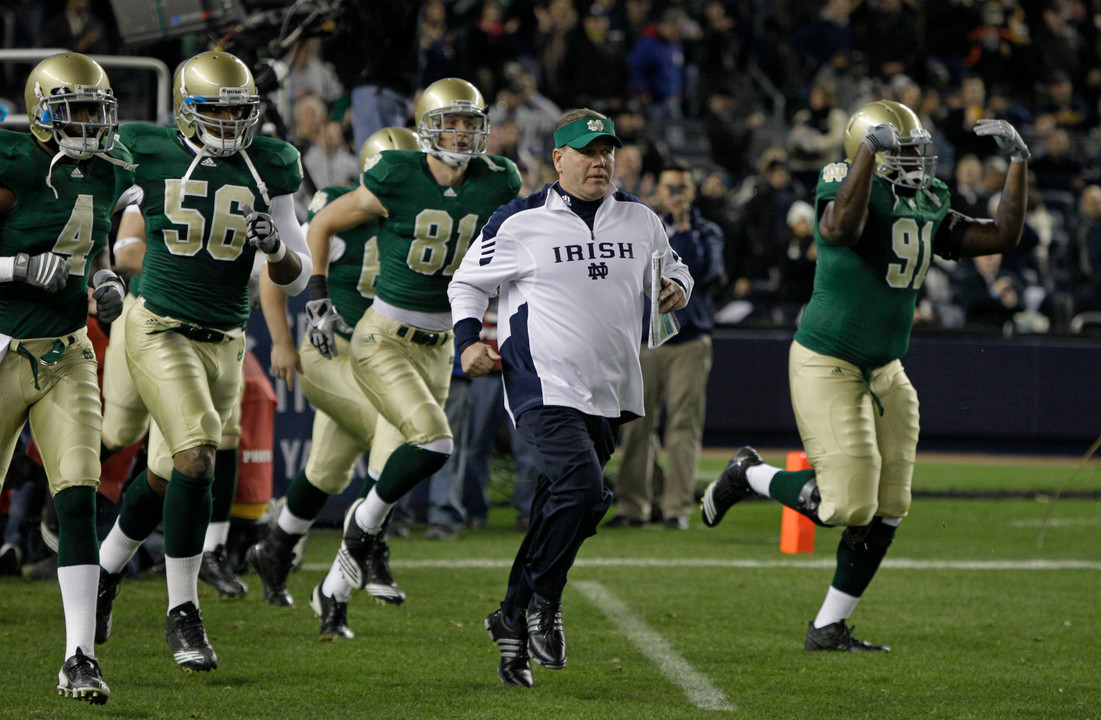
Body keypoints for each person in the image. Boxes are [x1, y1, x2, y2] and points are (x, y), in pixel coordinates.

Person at [700, 100, 1029, 652]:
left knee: (891, 504)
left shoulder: (927, 199)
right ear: (867, 154)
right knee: (846, 507)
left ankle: (827, 627)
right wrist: (868, 156)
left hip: (885, 368)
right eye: (901, 150)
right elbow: (841, 229)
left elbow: (1000, 237)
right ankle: (748, 473)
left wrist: (1018, 163)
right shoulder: (842, 184)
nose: (917, 161)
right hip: (828, 359)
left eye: (916, 149)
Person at [449, 108, 693, 687]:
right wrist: (466, 343)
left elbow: (674, 264)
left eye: (607, 150)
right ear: (558, 159)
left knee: (570, 501)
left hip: (611, 386)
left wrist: (675, 286)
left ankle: (510, 618)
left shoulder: (640, 219)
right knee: (585, 490)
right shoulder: (519, 221)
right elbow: (466, 281)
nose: (600, 161)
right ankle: (544, 606)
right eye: (587, 151)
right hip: (541, 381)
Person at [93, 50, 311, 673]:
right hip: (156, 323)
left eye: (236, 110)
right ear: (186, 110)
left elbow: (295, 276)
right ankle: (182, 611)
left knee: (167, 474)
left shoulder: (270, 162)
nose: (223, 121)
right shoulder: (145, 147)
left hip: (225, 337)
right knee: (196, 454)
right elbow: (88, 206)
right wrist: (103, 268)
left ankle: (107, 569)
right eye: (212, 108)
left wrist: (275, 250)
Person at [305, 78, 520, 603]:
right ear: (426, 129)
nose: (463, 132)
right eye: (452, 121)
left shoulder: (499, 181)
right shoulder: (397, 175)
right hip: (383, 336)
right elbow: (325, 223)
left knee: (397, 460)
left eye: (471, 122)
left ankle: (333, 587)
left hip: (442, 340)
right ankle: (362, 531)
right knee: (434, 441)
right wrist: (317, 289)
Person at [0, 51, 134, 705]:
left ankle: (78, 655)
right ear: (42, 111)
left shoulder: (109, 168)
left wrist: (107, 278)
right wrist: (16, 269)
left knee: (78, 496)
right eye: (74, 110)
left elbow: (98, 243)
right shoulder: (14, 160)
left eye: (95, 110)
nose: (88, 123)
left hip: (67, 351)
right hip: (1, 347)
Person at [251, 127, 419, 636]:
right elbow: (274, 273)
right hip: (331, 353)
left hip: (380, 356)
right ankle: (372, 549)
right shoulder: (339, 213)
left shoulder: (416, 221)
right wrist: (281, 341)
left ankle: (275, 550)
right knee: (392, 430)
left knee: (327, 473)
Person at [610, 159, 723, 530]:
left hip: (688, 341)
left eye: (683, 188)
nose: (676, 195)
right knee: (636, 426)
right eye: (670, 188)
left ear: (693, 191)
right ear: (657, 190)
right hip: (644, 340)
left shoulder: (707, 231)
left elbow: (706, 272)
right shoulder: (640, 227)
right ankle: (633, 506)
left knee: (683, 427)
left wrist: (686, 227)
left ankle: (676, 509)